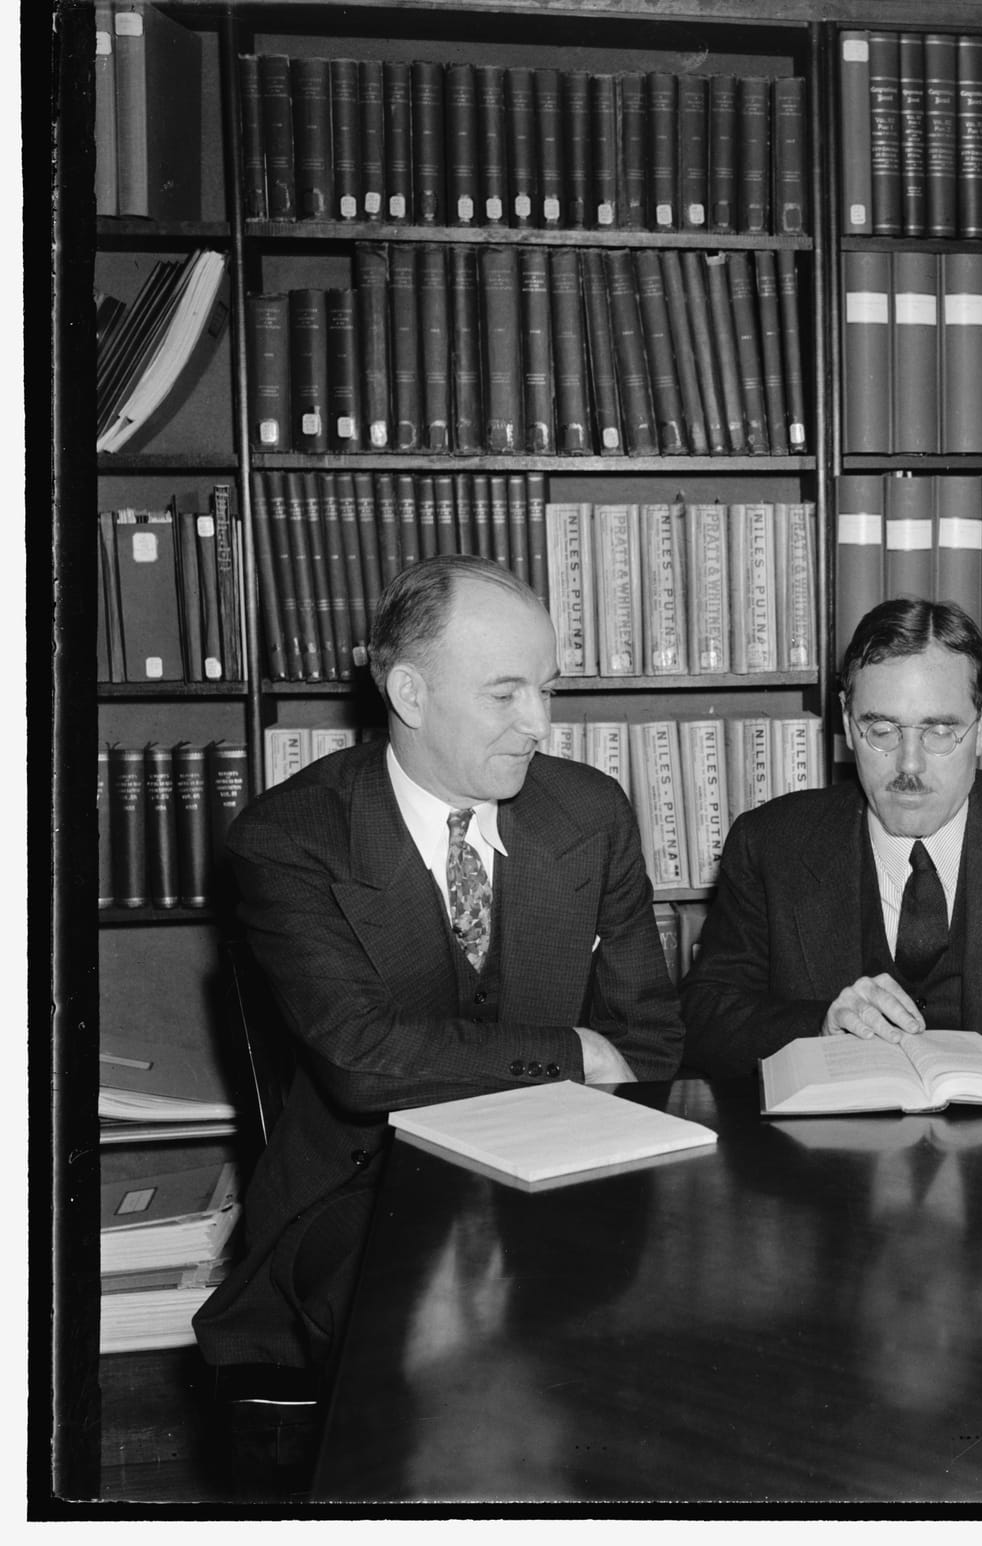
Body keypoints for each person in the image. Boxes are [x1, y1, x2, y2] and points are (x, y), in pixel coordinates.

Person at [195, 555, 684, 1372]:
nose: (539, 723)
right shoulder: (292, 837)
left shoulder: (590, 814)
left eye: (547, 688)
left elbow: (653, 1040)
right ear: (410, 694)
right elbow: (362, 1059)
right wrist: (573, 1054)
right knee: (437, 1351)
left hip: (571, 1165)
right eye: (506, 693)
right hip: (365, 1193)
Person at [683, 597, 982, 1076]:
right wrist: (822, 1029)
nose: (908, 765)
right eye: (882, 730)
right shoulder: (769, 843)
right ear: (848, 724)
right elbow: (704, 1020)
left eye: (939, 732)